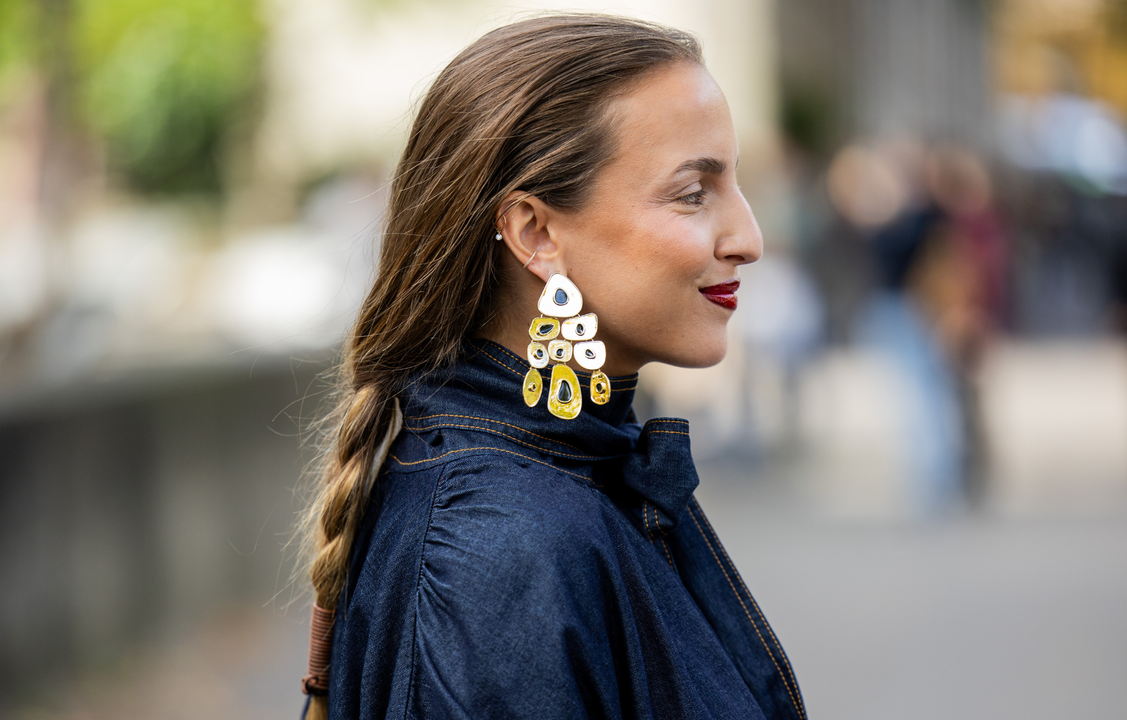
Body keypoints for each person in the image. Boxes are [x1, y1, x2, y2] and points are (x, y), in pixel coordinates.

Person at [299, 14, 804, 720]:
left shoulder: (573, 469)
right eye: (694, 193)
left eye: (736, 185)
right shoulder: (498, 548)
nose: (747, 237)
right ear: (535, 232)